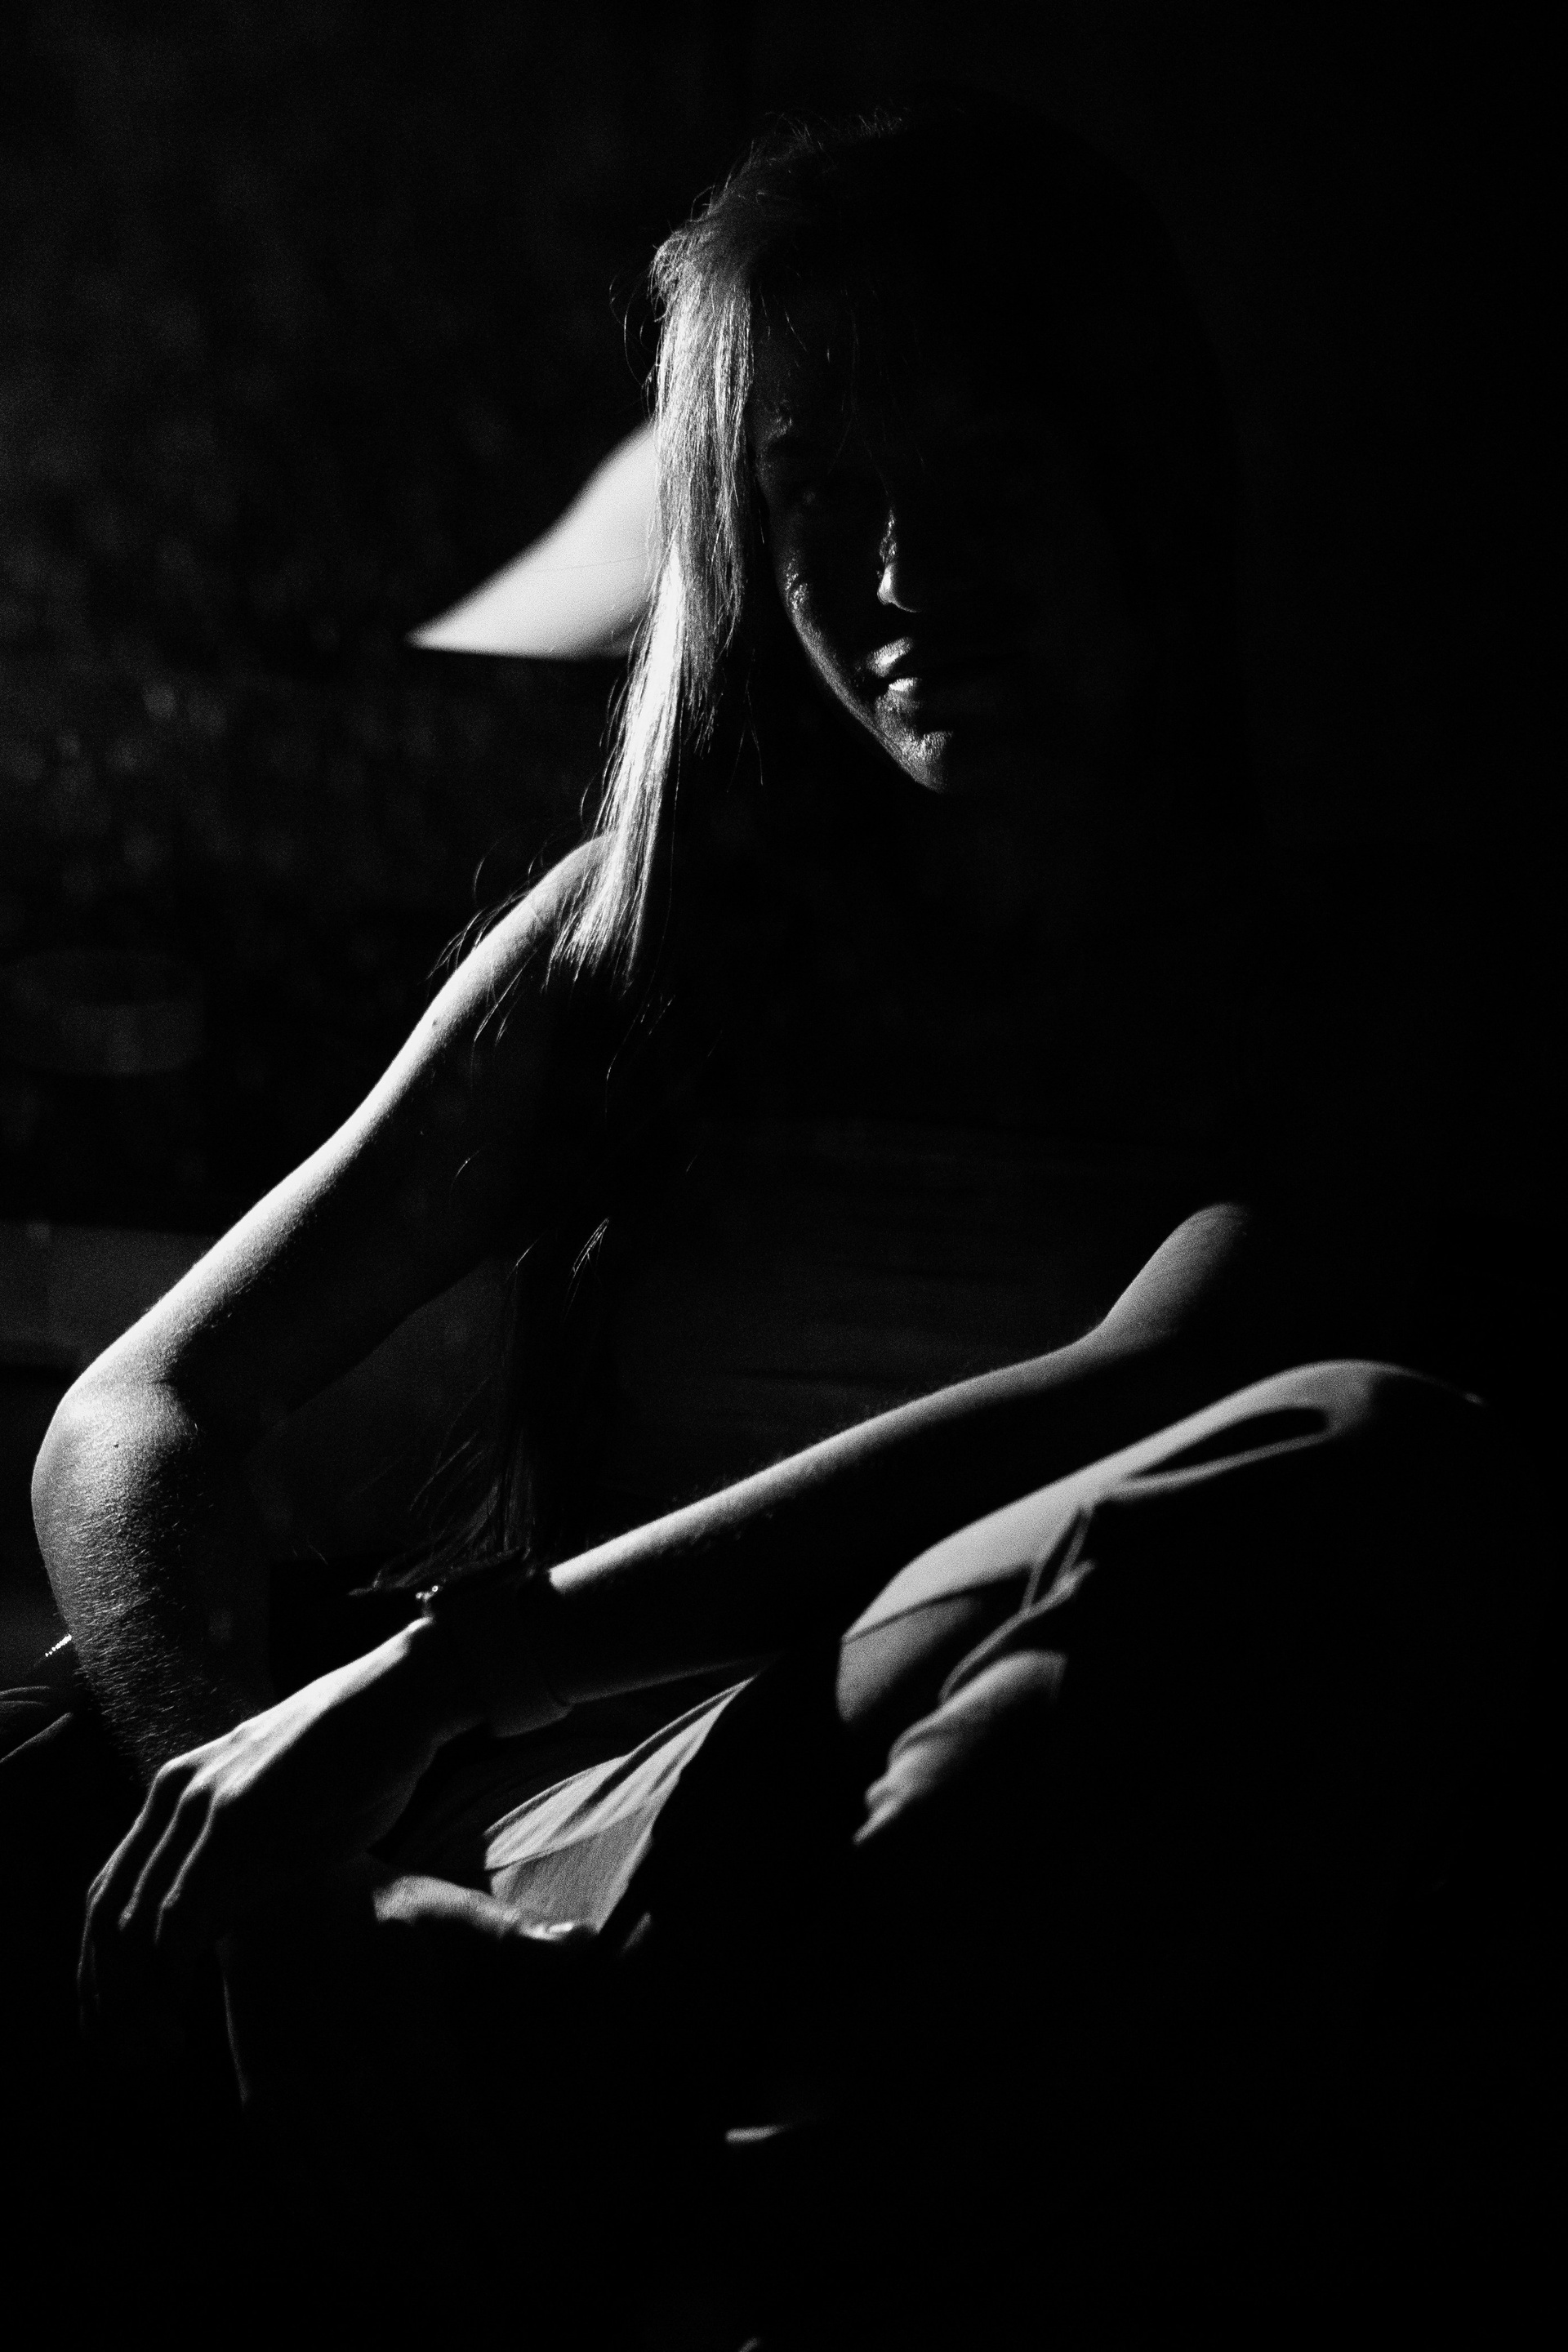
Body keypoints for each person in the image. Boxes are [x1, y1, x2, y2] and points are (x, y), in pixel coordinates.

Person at [20, 95, 1548, 2335]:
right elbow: (137, 1413)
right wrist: (236, 1804)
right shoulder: (640, 946)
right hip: (585, 1817)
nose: (911, 577)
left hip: (919, 1799)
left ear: (1136, 475)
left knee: (1365, 1470)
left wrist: (457, 1666)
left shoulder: (1345, 975)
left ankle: (669, 2138)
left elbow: (1158, 1395)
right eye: (826, 493)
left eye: (988, 474)